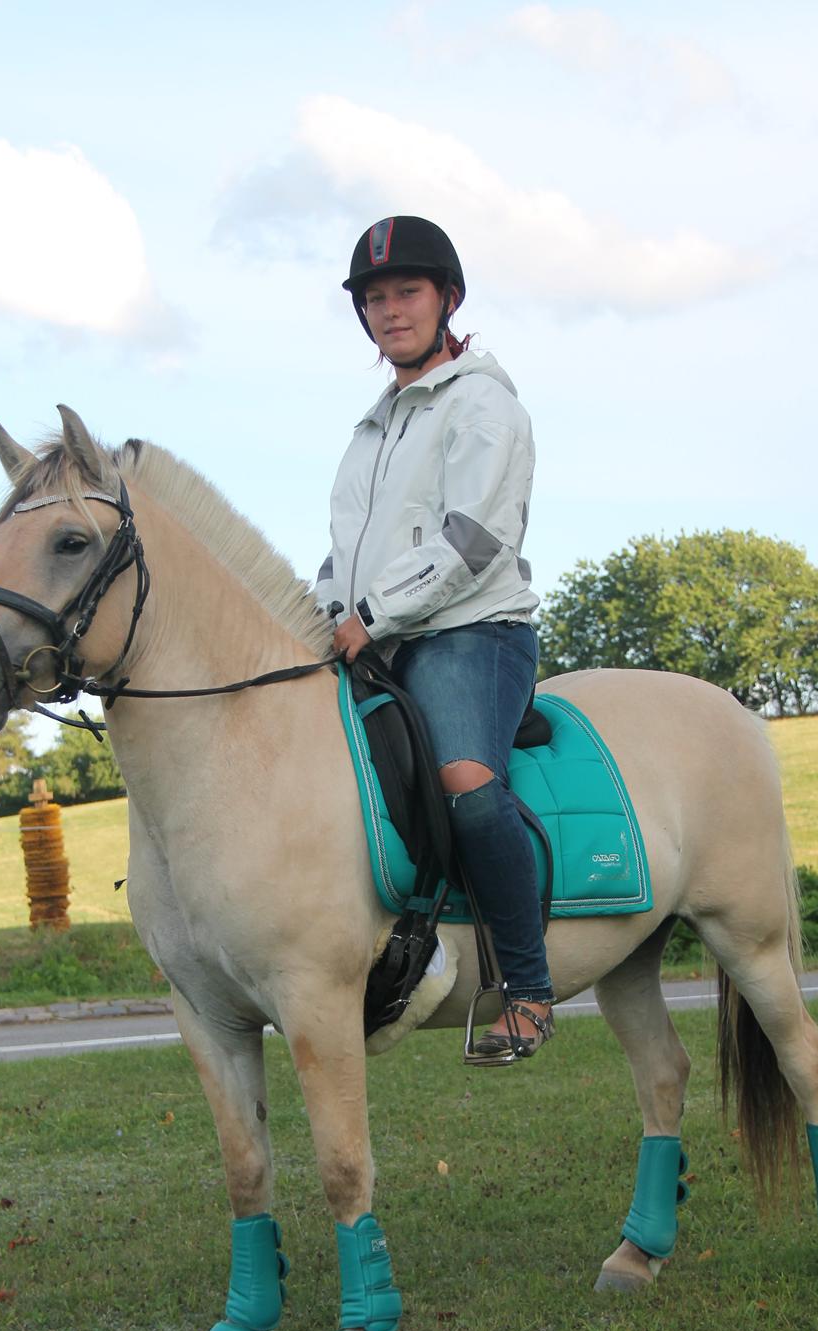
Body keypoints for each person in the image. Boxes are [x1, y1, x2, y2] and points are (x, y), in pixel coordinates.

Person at [316, 215, 555, 1060]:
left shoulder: (483, 405)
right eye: (374, 300)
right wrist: (314, 615)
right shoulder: (373, 429)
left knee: (466, 784)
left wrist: (368, 618)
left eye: (406, 293)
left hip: (471, 631)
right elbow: (348, 557)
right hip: (380, 637)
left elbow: (469, 540)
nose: (390, 311)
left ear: (448, 299)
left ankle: (526, 987)